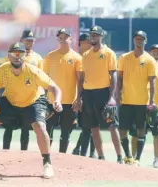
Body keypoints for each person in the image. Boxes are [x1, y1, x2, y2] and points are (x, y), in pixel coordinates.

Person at [0, 42, 62, 179]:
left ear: (24, 55)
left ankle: (47, 163)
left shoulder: (33, 71)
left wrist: (57, 100)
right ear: (9, 55)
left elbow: (55, 88)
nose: (17, 56)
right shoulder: (2, 70)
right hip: (11, 101)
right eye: (14, 53)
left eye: (20, 53)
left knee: (40, 127)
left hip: (33, 101)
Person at [75, 26, 123, 163]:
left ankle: (119, 157)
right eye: (92, 35)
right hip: (88, 94)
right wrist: (78, 97)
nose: (93, 37)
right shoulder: (85, 55)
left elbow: (113, 74)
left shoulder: (109, 53)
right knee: (93, 127)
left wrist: (112, 97)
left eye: (96, 35)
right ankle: (101, 157)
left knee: (112, 126)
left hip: (104, 93)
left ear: (101, 37)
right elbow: (82, 77)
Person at [117, 31, 157, 166]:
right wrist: (117, 95)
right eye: (137, 39)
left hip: (142, 101)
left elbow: (152, 82)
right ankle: (128, 156)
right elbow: (120, 78)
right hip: (126, 100)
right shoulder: (124, 57)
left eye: (141, 39)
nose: (138, 41)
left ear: (145, 41)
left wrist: (151, 101)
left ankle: (138, 158)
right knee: (122, 130)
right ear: (134, 40)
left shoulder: (150, 60)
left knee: (141, 129)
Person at [129, 44, 158, 168]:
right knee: (136, 133)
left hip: (156, 108)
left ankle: (157, 159)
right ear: (149, 52)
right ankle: (133, 158)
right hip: (140, 105)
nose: (155, 53)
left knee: (156, 134)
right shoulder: (142, 65)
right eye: (153, 51)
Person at [2, 29, 44, 151]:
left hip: (29, 97)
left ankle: (23, 154)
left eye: (31, 40)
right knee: (9, 126)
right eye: (27, 40)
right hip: (13, 95)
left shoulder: (38, 58)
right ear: (21, 40)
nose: (29, 43)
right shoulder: (14, 54)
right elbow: (6, 71)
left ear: (34, 41)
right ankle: (5, 151)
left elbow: (40, 77)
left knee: (26, 128)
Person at [43, 28, 81, 153]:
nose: (63, 40)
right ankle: (46, 157)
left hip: (69, 101)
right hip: (52, 101)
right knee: (48, 131)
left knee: (66, 133)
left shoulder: (76, 58)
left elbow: (80, 80)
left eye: (66, 37)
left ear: (71, 39)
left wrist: (79, 99)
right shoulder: (50, 56)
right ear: (58, 39)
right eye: (61, 37)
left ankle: (63, 157)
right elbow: (45, 78)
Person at [72, 33, 96, 158]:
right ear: (82, 43)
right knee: (85, 125)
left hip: (90, 92)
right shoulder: (78, 57)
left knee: (91, 125)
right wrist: (78, 97)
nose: (90, 43)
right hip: (79, 94)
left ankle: (91, 152)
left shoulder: (92, 56)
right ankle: (79, 149)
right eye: (88, 41)